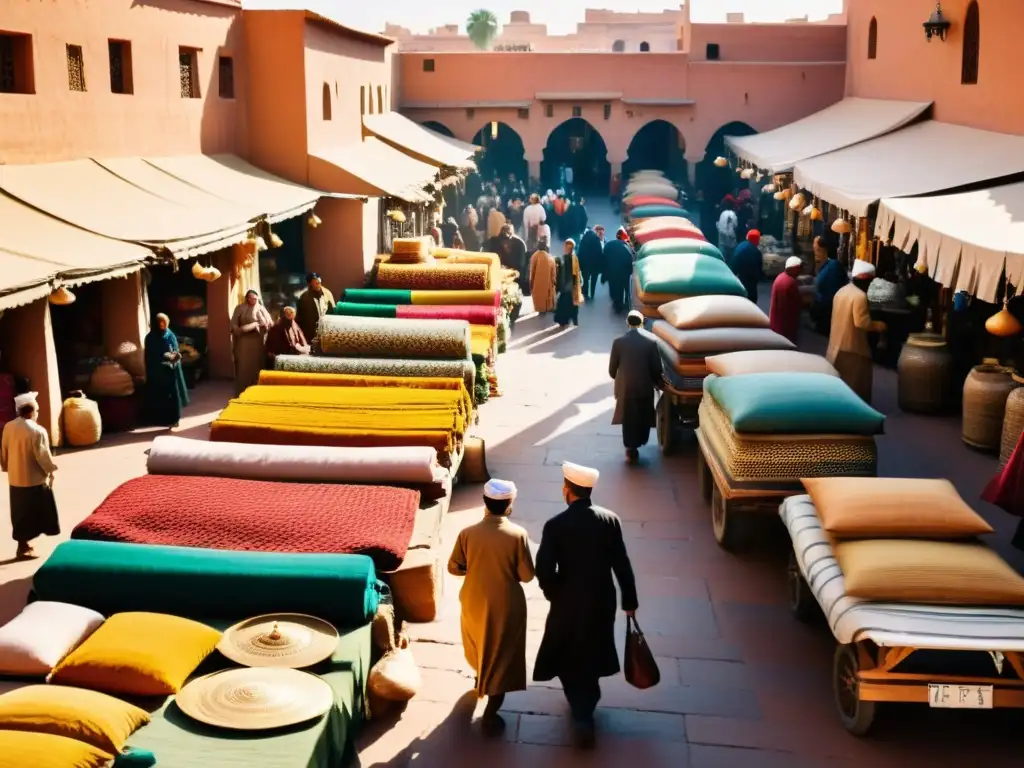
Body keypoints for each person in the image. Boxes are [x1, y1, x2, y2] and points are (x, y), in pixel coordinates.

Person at [534, 462, 638, 749]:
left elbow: (543, 569)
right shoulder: (610, 520)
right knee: (594, 648)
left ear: (567, 491)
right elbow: (622, 565)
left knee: (568, 650)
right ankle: (586, 706)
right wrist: (629, 601)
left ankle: (580, 712)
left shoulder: (555, 525)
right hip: (601, 599)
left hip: (567, 601)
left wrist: (554, 592)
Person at [447, 479, 535, 737]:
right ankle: (490, 714)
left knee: (478, 642)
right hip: (506, 605)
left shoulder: (467, 533)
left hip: (474, 600)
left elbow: (454, 567)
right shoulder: (518, 535)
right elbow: (527, 575)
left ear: (484, 503)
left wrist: (473, 567)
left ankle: (480, 677)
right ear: (509, 504)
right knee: (503, 655)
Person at [1, 392, 59, 560]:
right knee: (34, 512)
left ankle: (23, 543)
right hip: (33, 479)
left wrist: (7, 467)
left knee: (19, 512)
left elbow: (3, 450)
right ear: (32, 411)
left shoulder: (9, 427)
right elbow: (42, 456)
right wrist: (51, 470)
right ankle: (24, 547)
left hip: (15, 478)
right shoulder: (37, 430)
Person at [827, 260, 886, 404]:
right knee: (856, 388)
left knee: (839, 384)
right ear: (865, 279)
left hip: (835, 344)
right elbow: (862, 322)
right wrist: (880, 326)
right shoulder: (860, 296)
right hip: (853, 348)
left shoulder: (842, 291)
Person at [609, 311, 664, 464]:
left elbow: (612, 370)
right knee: (643, 416)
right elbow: (657, 369)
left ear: (627, 323)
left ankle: (630, 448)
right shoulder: (651, 341)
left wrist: (620, 379)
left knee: (628, 419)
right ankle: (639, 442)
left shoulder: (618, 342)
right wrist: (656, 382)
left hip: (626, 389)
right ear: (642, 323)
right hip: (644, 387)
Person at [143, 313, 190, 428]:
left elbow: (175, 349)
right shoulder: (150, 338)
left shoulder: (170, 335)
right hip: (157, 371)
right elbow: (150, 355)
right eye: (160, 323)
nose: (163, 325)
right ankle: (161, 419)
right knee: (160, 396)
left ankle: (175, 419)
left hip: (171, 370)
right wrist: (162, 357)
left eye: (164, 323)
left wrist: (174, 356)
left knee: (173, 396)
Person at [230, 289, 273, 396]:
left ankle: (257, 388)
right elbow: (234, 323)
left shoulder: (261, 309)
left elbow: (269, 323)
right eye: (251, 298)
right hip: (243, 342)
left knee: (257, 364)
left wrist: (261, 324)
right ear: (247, 298)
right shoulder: (240, 308)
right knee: (243, 365)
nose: (253, 300)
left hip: (257, 341)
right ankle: (242, 388)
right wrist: (238, 329)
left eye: (255, 298)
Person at [811, 244, 848, 335]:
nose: (816, 253)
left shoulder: (832, 266)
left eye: (817, 249)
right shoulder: (830, 266)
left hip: (827, 303)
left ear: (824, 251)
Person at [769, 256, 804, 344]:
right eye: (799, 269)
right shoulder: (790, 282)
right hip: (786, 327)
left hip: (776, 324)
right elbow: (797, 304)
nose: (800, 271)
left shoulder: (781, 277)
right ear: (793, 269)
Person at [296, 272, 336, 344]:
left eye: (319, 283)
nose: (318, 285)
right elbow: (300, 316)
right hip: (310, 331)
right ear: (310, 284)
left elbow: (333, 310)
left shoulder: (326, 293)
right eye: (316, 283)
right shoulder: (304, 298)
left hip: (325, 329)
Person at [553, 239, 583, 328]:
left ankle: (564, 321)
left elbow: (565, 274)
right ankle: (573, 320)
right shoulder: (574, 258)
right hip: (571, 287)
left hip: (568, 287)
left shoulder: (567, 259)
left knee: (564, 305)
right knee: (572, 305)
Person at [604, 228, 634, 313]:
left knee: (615, 287)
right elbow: (630, 258)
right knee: (625, 286)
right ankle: (627, 302)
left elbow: (604, 259)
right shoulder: (626, 246)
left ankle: (617, 303)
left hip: (613, 270)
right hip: (624, 270)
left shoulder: (608, 246)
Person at [730, 229, 764, 304]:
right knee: (751, 300)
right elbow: (758, 269)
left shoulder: (740, 245)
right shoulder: (755, 252)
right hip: (750, 281)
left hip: (739, 277)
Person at [529, 233, 558, 314]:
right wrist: (554, 280)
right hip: (547, 283)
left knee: (538, 297)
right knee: (547, 296)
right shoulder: (550, 257)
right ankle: (547, 307)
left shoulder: (535, 256)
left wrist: (531, 282)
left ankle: (540, 309)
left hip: (537, 283)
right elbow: (553, 272)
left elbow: (532, 270)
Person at [577, 224, 606, 302]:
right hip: (594, 265)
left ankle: (585, 293)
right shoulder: (596, 240)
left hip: (584, 263)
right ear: (596, 231)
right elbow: (599, 253)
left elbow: (580, 251)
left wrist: (579, 263)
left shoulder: (584, 238)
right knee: (593, 280)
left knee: (585, 278)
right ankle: (591, 295)